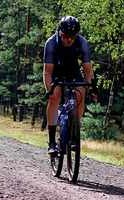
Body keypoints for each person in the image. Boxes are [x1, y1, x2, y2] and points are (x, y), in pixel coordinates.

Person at [43, 16, 96, 154]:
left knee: (81, 93)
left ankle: (74, 132)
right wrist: (49, 90)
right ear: (60, 32)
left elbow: (87, 70)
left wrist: (91, 88)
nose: (69, 40)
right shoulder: (51, 43)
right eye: (66, 36)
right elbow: (47, 72)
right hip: (56, 72)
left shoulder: (82, 42)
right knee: (54, 97)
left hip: (73, 72)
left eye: (72, 37)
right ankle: (52, 142)